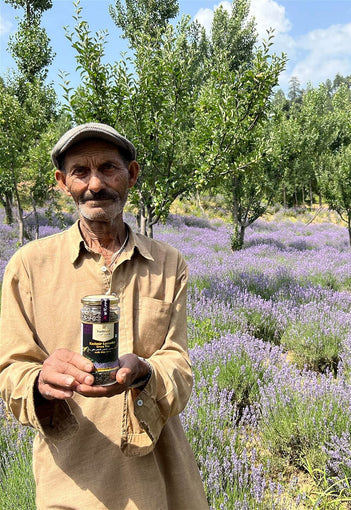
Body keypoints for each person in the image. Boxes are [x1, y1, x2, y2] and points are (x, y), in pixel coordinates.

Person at [0, 123, 209, 509]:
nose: (95, 184)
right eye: (80, 171)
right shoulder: (28, 266)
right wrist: (40, 382)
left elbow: (178, 363)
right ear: (63, 182)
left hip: (160, 479)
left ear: (131, 175)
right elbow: (11, 370)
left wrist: (145, 372)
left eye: (109, 168)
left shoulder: (168, 263)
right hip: (70, 480)